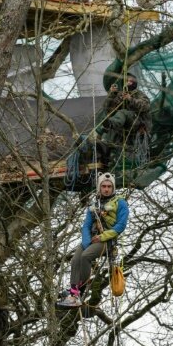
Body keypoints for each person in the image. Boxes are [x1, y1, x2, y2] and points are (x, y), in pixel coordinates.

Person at [56, 173, 129, 308]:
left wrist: (102, 237)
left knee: (85, 256)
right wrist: (86, 242)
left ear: (113, 188)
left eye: (109, 186)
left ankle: (79, 290)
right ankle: (73, 292)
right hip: (91, 238)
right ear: (99, 187)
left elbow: (121, 226)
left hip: (107, 241)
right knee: (76, 259)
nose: (106, 189)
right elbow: (86, 225)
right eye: (103, 186)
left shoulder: (120, 203)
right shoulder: (94, 205)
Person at [98, 73, 151, 163]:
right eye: (126, 81)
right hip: (122, 126)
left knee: (123, 113)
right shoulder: (120, 94)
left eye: (130, 81)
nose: (128, 83)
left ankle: (110, 123)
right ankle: (105, 157)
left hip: (137, 123)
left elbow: (145, 106)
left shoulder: (139, 94)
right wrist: (111, 94)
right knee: (107, 137)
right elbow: (107, 108)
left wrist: (131, 99)